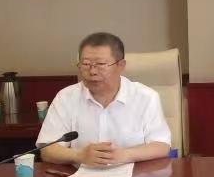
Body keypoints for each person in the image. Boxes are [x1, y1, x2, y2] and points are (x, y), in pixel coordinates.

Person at [37, 32, 171, 166]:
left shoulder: (146, 97)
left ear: (121, 65)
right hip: (81, 176)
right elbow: (47, 149)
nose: (92, 71)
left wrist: (126, 155)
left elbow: (161, 145)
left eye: (100, 64)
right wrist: (79, 156)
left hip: (134, 176)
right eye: (86, 64)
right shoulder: (66, 97)